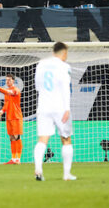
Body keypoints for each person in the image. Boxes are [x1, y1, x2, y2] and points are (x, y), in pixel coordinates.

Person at [33, 42, 75, 182]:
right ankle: (66, 174)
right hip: (60, 107)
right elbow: (65, 87)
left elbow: (37, 86)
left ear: (53, 52)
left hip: (43, 106)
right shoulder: (64, 66)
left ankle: (38, 170)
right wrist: (67, 108)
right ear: (64, 53)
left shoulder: (41, 64)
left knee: (42, 139)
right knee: (66, 139)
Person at [0, 75, 24, 164]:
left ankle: (18, 159)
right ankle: (13, 159)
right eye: (6, 80)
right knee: (11, 138)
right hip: (9, 117)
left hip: (16, 116)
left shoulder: (16, 90)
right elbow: (7, 104)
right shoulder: (7, 92)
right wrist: (2, 111)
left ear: (13, 81)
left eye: (9, 80)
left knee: (17, 137)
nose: (7, 82)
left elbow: (7, 92)